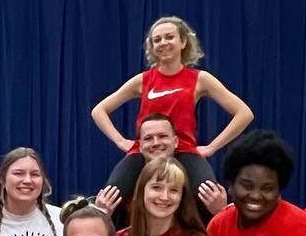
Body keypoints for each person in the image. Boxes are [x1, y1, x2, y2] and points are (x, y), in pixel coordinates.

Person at [91, 15, 254, 201]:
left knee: (210, 196)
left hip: (184, 150)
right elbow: (99, 110)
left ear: (183, 41)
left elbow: (244, 113)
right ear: (151, 47)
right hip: (145, 150)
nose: (163, 43)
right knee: (110, 198)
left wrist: (211, 147)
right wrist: (121, 142)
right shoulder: (143, 80)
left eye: (169, 37)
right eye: (157, 40)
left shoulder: (200, 79)